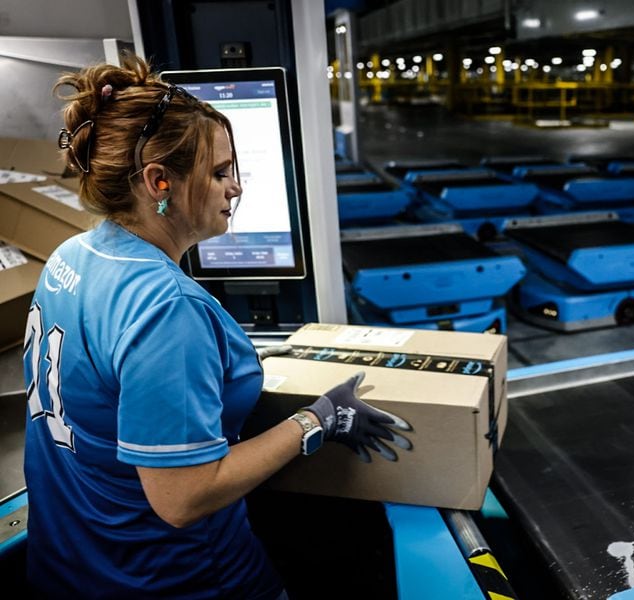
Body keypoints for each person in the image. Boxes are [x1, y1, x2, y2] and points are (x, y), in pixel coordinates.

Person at [22, 53, 411, 598]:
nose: (237, 188)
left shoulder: (73, 256)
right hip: (172, 578)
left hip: (72, 562)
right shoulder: (165, 309)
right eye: (221, 172)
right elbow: (183, 498)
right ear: (160, 181)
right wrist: (318, 419)